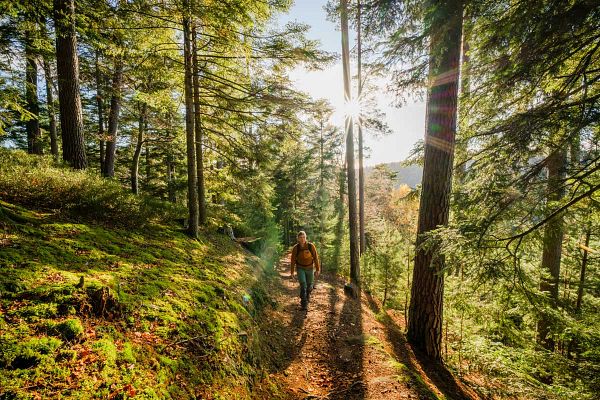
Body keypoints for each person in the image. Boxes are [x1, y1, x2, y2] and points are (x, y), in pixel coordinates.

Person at [290, 231, 320, 310]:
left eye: (304, 237)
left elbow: (316, 258)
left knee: (310, 286)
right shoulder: (296, 248)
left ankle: (307, 297)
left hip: (310, 268)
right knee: (303, 285)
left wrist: (317, 269)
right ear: (298, 239)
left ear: (306, 237)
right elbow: (293, 260)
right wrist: (292, 272)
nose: (302, 239)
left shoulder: (311, 246)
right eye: (300, 238)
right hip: (300, 269)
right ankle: (304, 304)